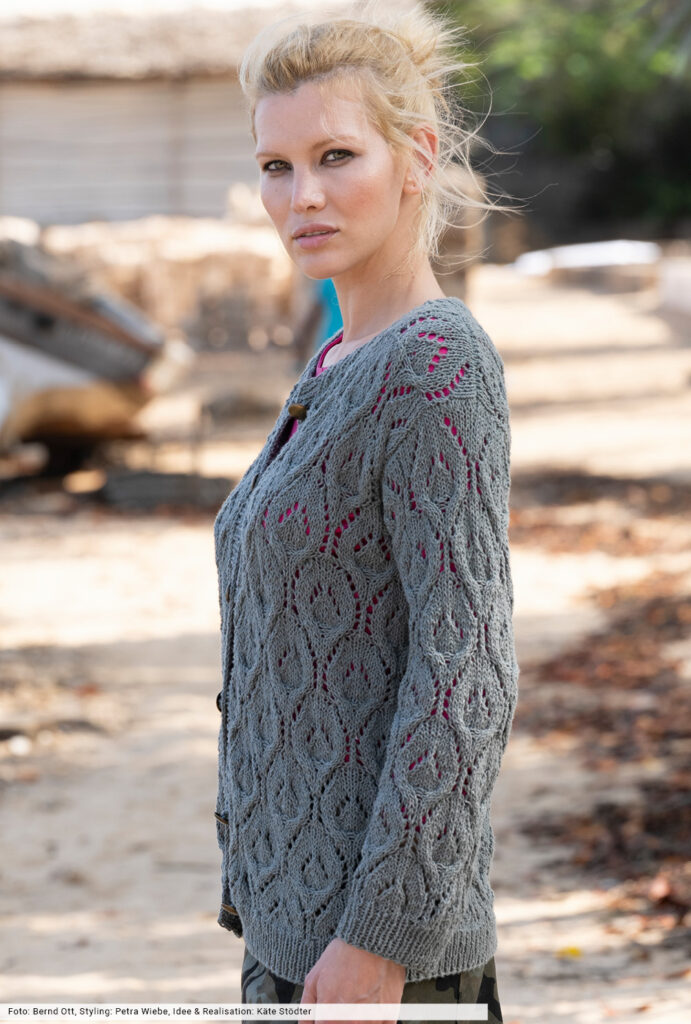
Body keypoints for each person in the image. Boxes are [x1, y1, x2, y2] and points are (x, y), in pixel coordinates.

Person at [213, 3, 520, 1022]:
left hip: (381, 961)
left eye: (335, 156)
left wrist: (378, 942)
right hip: (291, 930)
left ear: (416, 157)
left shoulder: (435, 365)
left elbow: (464, 668)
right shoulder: (339, 359)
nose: (300, 195)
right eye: (276, 166)